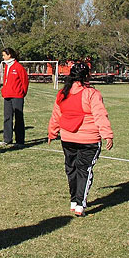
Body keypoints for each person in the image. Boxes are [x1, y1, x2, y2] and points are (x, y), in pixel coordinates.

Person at [47, 62, 114, 217]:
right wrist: (107, 134)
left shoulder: (63, 93)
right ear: (87, 76)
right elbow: (100, 114)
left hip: (67, 138)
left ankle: (74, 201)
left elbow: (56, 115)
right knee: (84, 170)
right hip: (88, 140)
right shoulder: (92, 93)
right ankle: (79, 205)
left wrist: (52, 132)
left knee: (71, 169)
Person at [1, 47, 29, 145]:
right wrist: (4, 91)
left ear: (9, 55)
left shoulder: (18, 67)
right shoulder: (6, 67)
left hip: (17, 96)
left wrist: (22, 93)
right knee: (7, 117)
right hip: (7, 96)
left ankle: (20, 140)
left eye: (4, 55)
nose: (3, 57)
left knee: (18, 118)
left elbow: (24, 81)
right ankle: (7, 139)